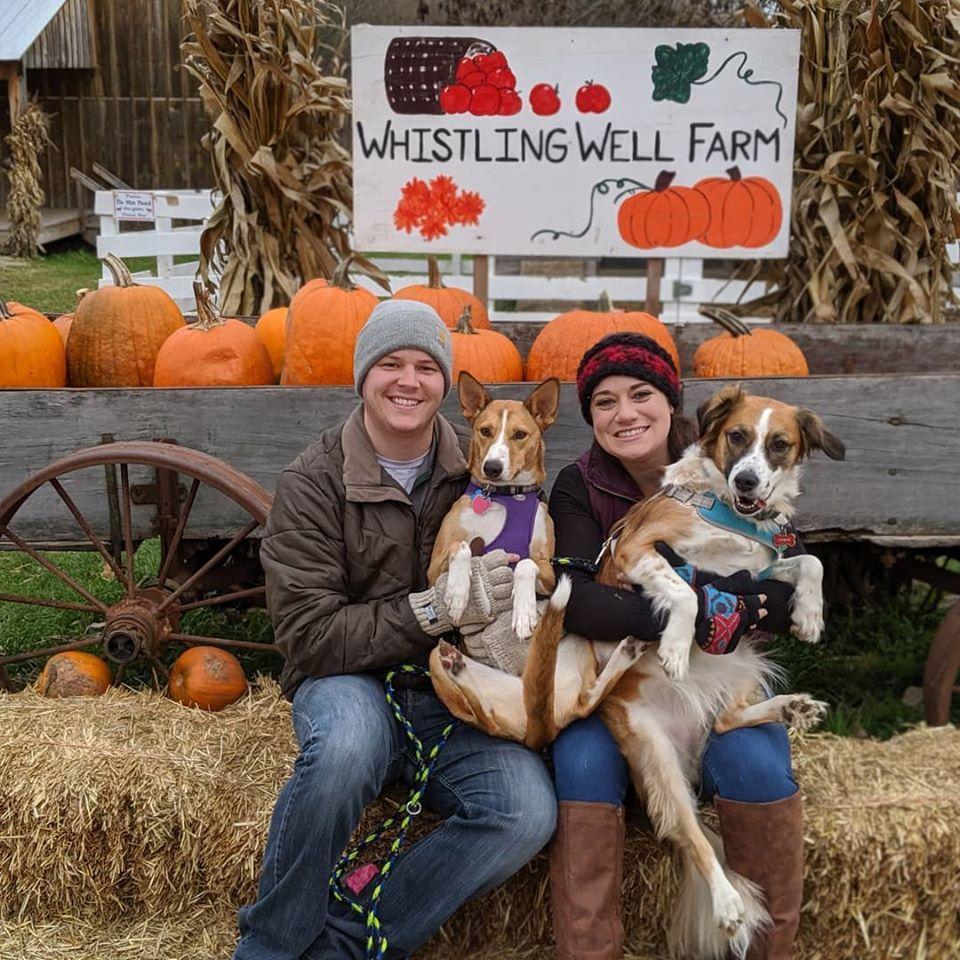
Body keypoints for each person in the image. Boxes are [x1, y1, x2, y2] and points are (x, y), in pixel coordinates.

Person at [233, 299, 556, 960]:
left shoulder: (482, 477)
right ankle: (270, 945)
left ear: (446, 385)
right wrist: (431, 612)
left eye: (424, 367)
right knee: (347, 750)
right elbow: (307, 635)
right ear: (362, 376)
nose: (408, 381)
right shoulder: (313, 479)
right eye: (390, 364)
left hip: (448, 692)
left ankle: (347, 944)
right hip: (347, 678)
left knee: (525, 811)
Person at [546, 332, 806, 960]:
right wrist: (707, 611)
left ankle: (762, 948)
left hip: (715, 679)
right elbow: (577, 602)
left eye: (642, 394)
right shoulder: (578, 486)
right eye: (604, 402)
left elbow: (779, 600)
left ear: (672, 404)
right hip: (620, 679)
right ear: (591, 418)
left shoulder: (741, 470)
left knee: (758, 768)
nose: (624, 413)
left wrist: (739, 609)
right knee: (583, 767)